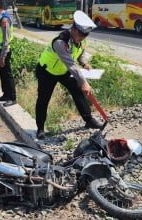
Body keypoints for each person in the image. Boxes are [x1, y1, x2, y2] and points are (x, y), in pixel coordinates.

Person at [35, 10, 103, 139]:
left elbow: (80, 53)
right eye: (82, 35)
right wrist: (84, 82)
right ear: (74, 30)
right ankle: (40, 128)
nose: (84, 38)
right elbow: (71, 64)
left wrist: (84, 63)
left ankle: (89, 120)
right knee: (44, 99)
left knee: (78, 92)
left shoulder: (81, 40)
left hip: (63, 71)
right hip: (47, 71)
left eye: (86, 36)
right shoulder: (60, 42)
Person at [0, 0, 16, 107]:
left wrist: (3, 56)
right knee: (2, 74)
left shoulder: (4, 19)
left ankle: (12, 98)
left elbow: (6, 40)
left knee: (7, 74)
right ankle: (6, 95)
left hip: (3, 51)